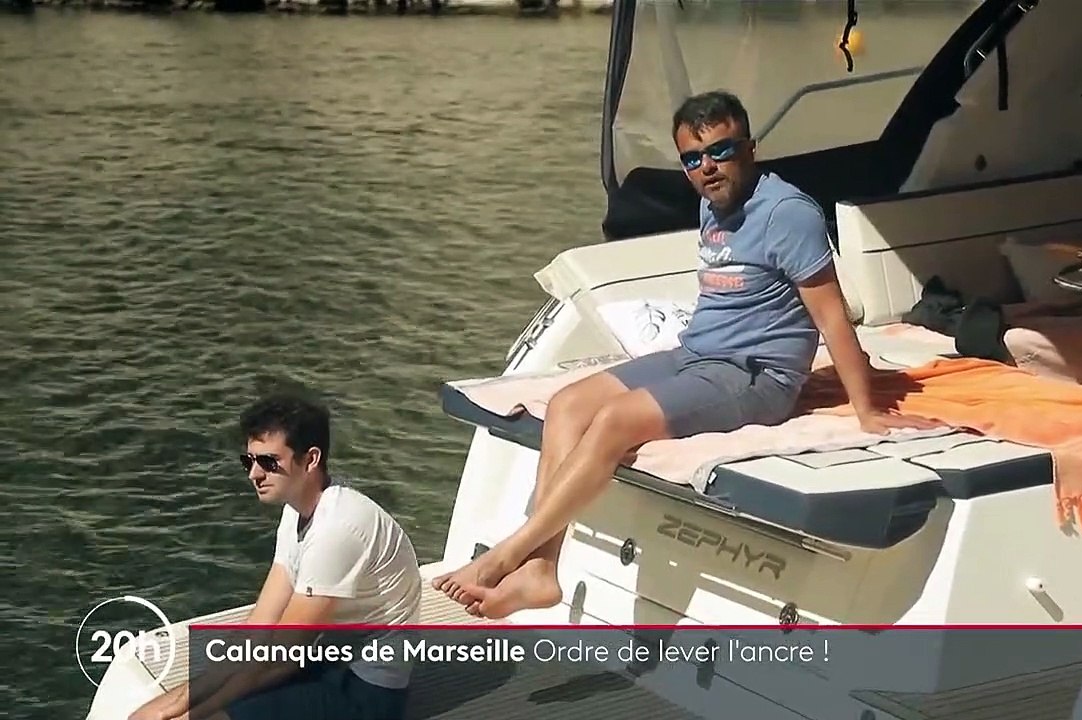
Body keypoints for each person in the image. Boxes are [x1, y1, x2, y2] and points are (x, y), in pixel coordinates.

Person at [431, 89, 939, 619]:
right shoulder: (711, 204)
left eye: (720, 151)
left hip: (753, 375)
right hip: (696, 354)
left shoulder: (787, 214)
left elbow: (833, 316)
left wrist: (867, 410)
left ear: (750, 148)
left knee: (611, 423)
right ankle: (540, 571)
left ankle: (507, 555)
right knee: (566, 406)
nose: (707, 168)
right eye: (693, 159)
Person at [129, 391, 422, 720]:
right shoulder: (297, 511)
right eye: (249, 461)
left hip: (366, 693)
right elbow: (259, 628)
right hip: (326, 660)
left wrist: (195, 713)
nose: (254, 474)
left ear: (310, 459)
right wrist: (178, 700)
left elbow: (281, 656)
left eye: (269, 462)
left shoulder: (338, 530)